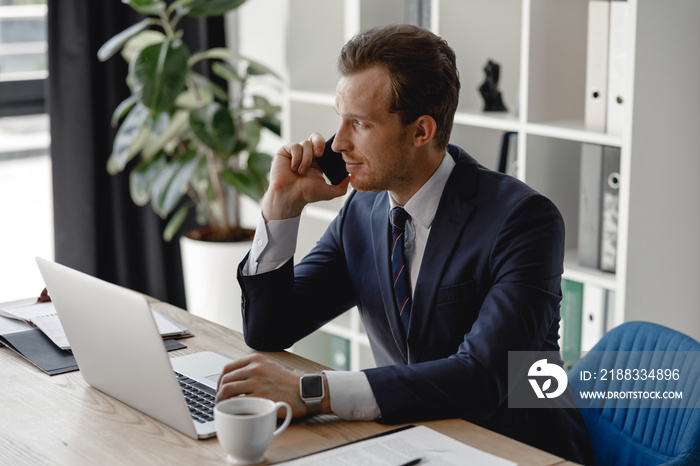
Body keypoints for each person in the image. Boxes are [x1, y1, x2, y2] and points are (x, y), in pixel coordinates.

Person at [216, 24, 594, 464]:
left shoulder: (525, 221)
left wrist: (312, 392)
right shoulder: (364, 211)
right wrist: (281, 209)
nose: (337, 142)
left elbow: (484, 379)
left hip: (516, 450)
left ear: (421, 132)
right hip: (411, 440)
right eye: (340, 119)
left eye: (359, 123)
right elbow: (269, 329)